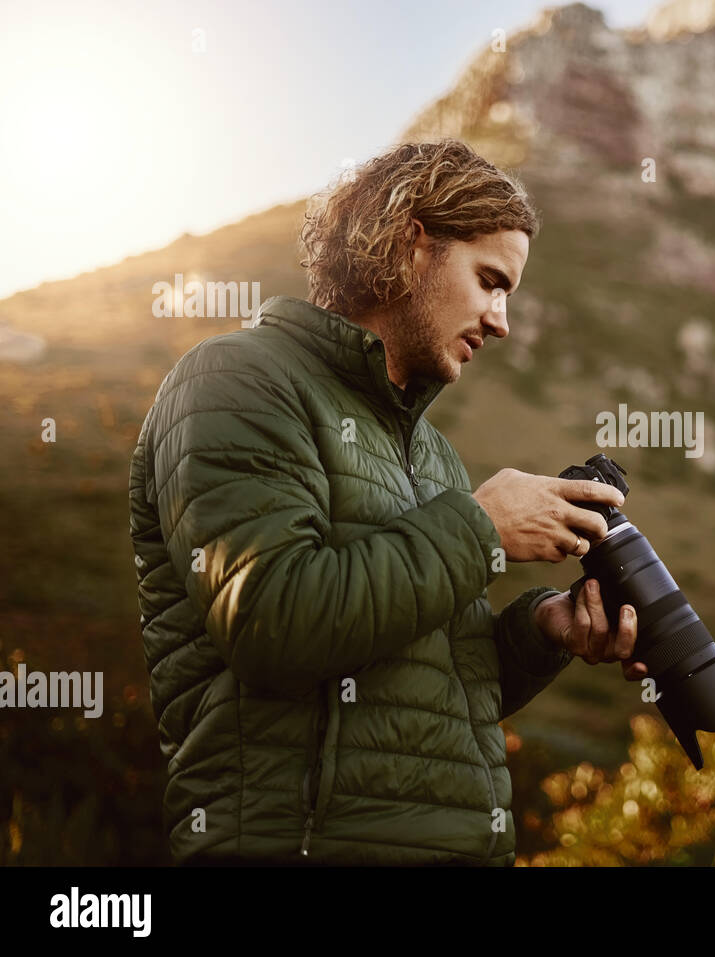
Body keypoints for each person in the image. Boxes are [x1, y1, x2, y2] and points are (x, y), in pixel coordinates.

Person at [127, 139, 645, 865]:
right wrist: (482, 525)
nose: (501, 321)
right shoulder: (233, 381)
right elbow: (274, 622)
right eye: (489, 280)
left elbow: (420, 698)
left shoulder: (430, 453)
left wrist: (544, 631)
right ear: (412, 246)